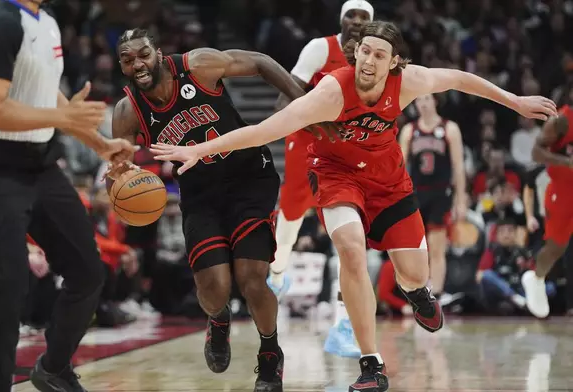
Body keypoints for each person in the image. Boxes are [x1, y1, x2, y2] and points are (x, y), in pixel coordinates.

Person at [150, 21, 556, 391]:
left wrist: (514, 101)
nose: (369, 59)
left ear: (394, 62)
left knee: (414, 274)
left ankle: (416, 292)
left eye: (379, 54)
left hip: (389, 182)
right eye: (364, 51)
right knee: (350, 247)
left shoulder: (409, 82)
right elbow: (261, 131)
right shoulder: (331, 92)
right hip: (335, 176)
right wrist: (200, 149)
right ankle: (371, 363)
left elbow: (459, 79)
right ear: (355, 53)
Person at [104, 28, 309, 392]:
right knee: (214, 286)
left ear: (159, 52)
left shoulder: (197, 65)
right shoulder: (127, 111)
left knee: (251, 278)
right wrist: (119, 181)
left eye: (143, 54)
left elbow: (260, 62)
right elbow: (116, 172)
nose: (137, 64)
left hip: (249, 179)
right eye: (127, 59)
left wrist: (304, 105)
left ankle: (269, 355)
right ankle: (218, 321)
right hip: (200, 193)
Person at [0, 1, 137, 391]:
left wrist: (100, 144)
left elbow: (47, 93)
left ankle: (53, 367)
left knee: (88, 271)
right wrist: (62, 119)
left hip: (41, 166)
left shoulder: (48, 23)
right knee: (6, 285)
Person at [270, 0, 373, 359]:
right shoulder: (320, 48)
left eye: (364, 17)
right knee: (293, 214)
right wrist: (308, 119)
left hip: (345, 145)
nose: (357, 22)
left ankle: (344, 320)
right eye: (352, 15)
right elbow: (285, 98)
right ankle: (278, 271)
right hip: (308, 136)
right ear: (341, 19)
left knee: (349, 231)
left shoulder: (374, 59)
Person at [398, 94, 466, 305]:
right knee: (416, 247)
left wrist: (460, 199)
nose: (423, 104)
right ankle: (419, 291)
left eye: (427, 99)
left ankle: (437, 292)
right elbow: (399, 168)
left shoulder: (450, 129)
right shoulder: (409, 130)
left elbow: (458, 166)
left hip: (441, 193)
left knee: (437, 247)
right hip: (416, 193)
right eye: (419, 100)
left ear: (436, 101)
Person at [522, 104, 573, 318]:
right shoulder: (562, 120)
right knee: (556, 248)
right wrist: (566, 162)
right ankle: (536, 278)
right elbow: (535, 153)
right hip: (563, 188)